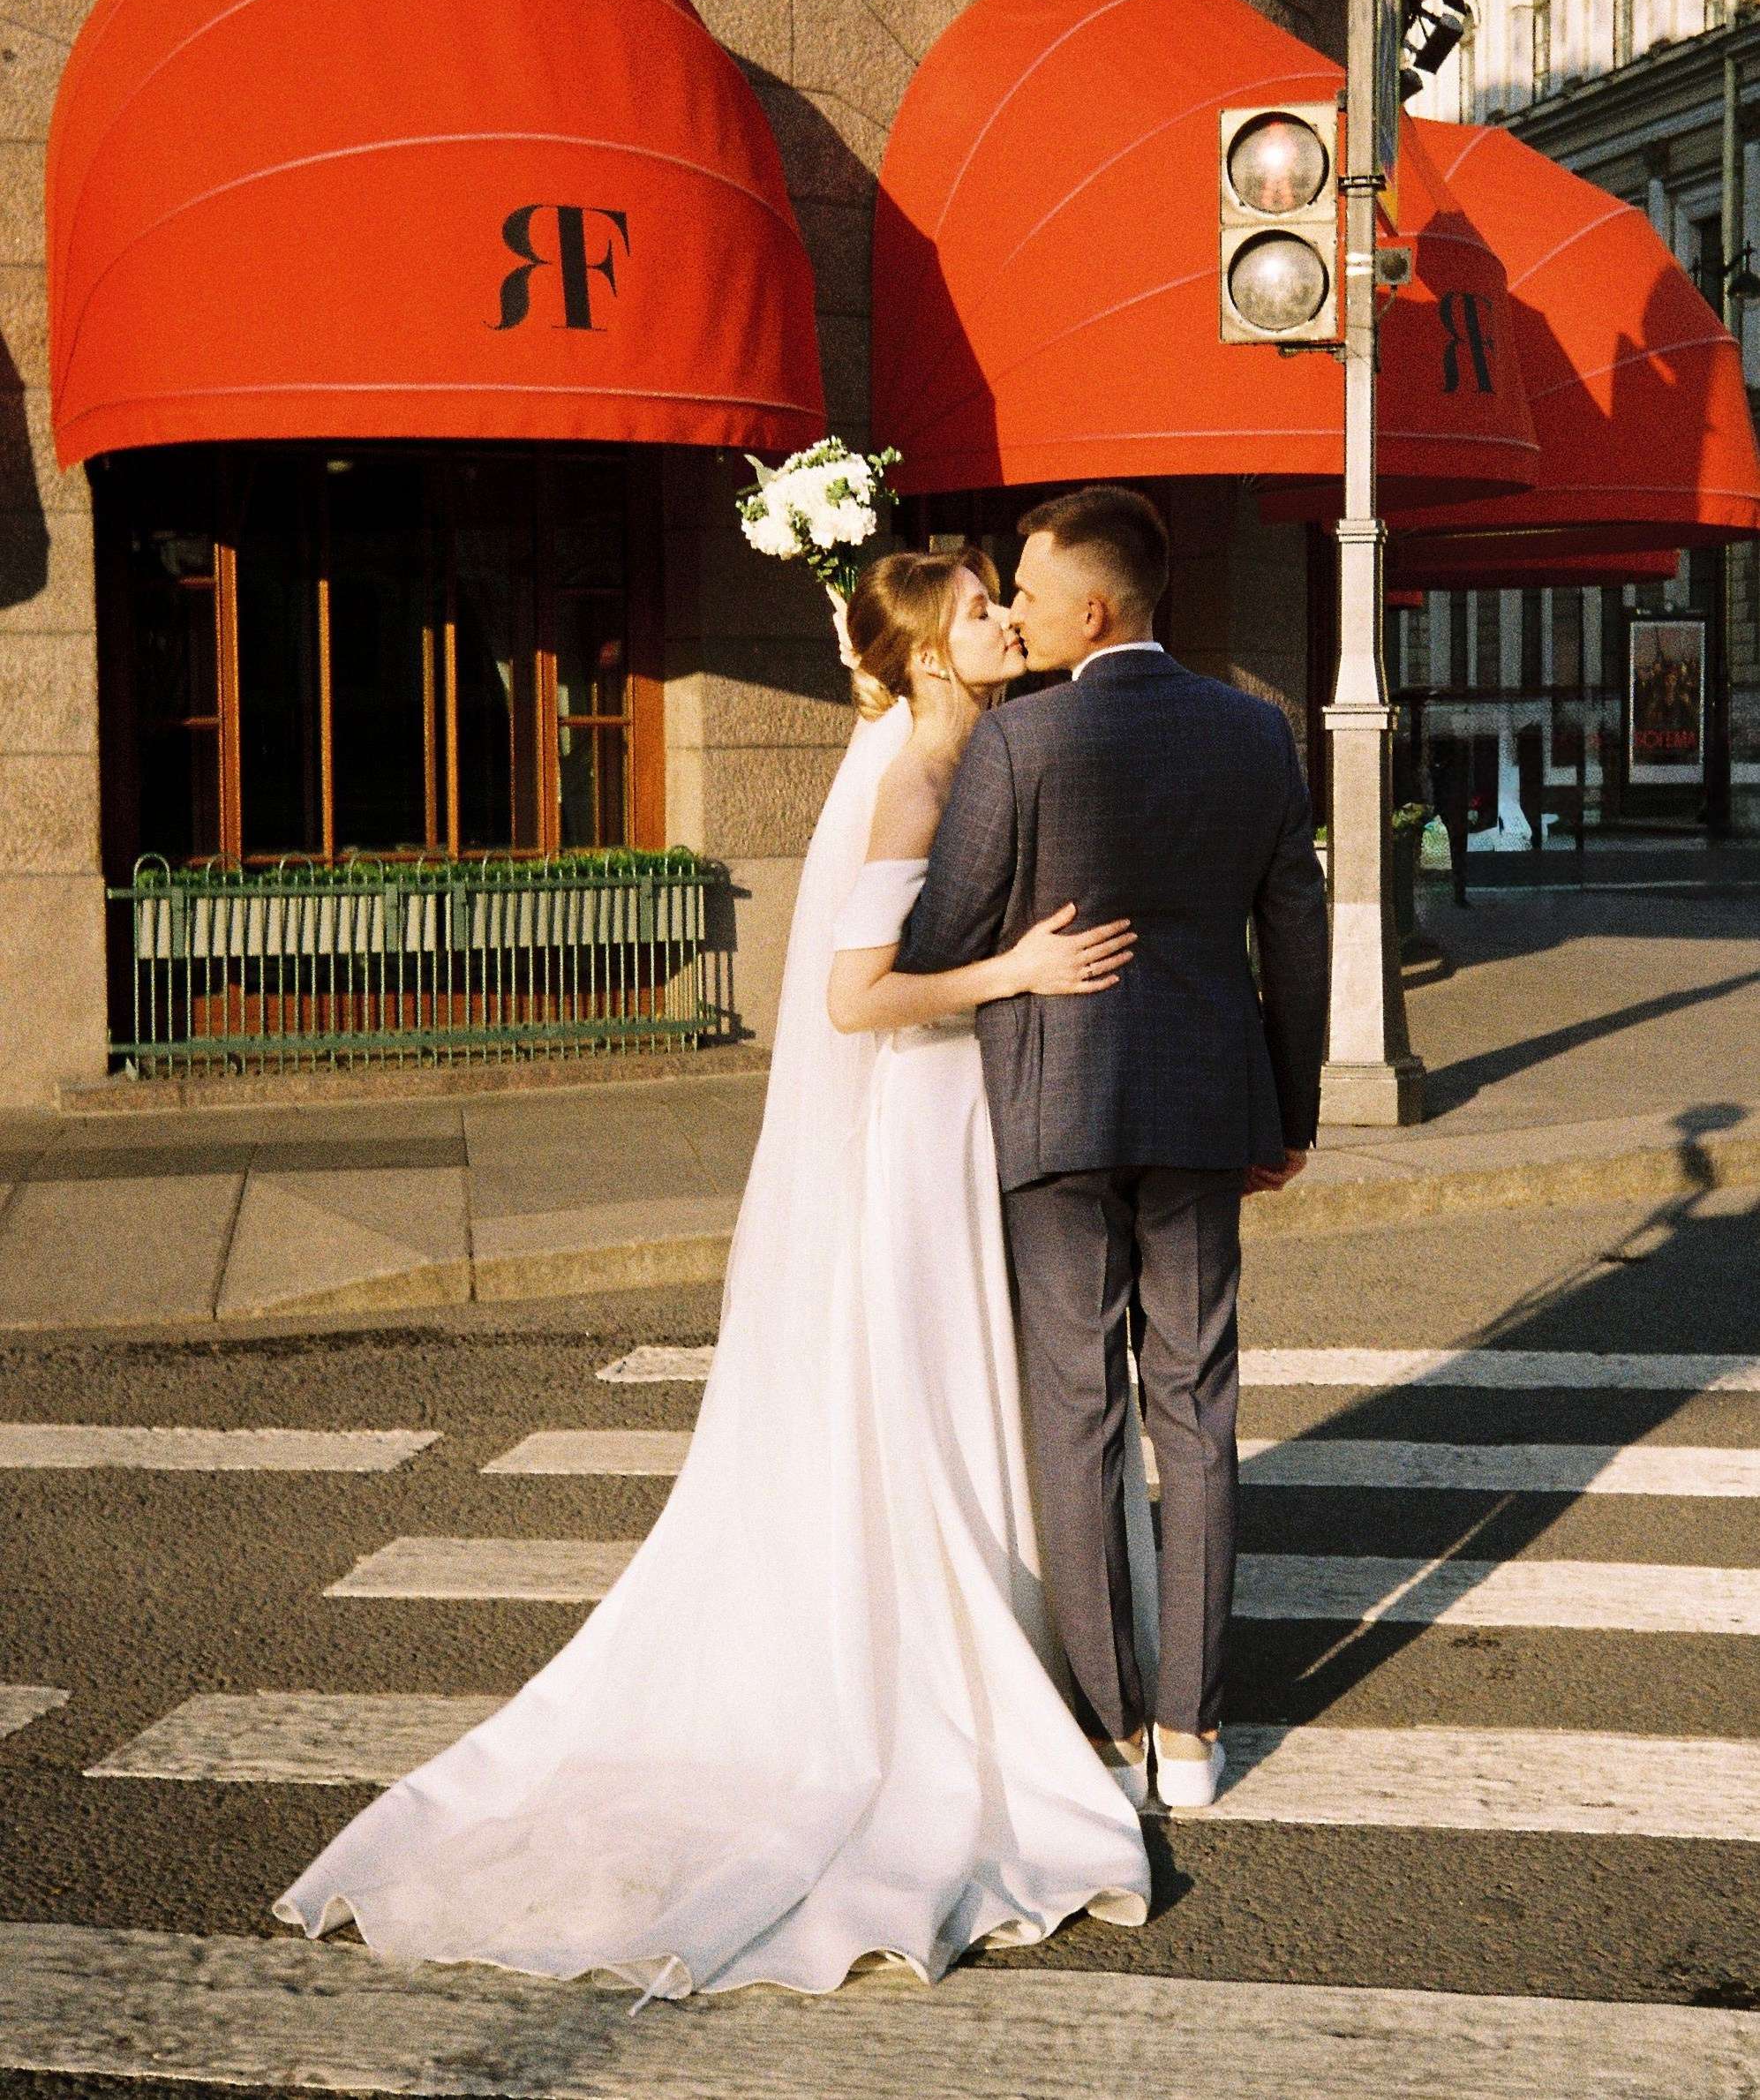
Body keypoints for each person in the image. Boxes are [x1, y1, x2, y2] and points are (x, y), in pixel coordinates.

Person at [275, 546, 1153, 1998]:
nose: (1007, 618)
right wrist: (1016, 974)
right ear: (932, 649)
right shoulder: (912, 777)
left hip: (949, 1115)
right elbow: (849, 995)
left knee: (953, 1388)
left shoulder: (956, 744)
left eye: (1006, 596)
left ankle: (1002, 1626)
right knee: (923, 1389)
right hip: (915, 1118)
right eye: (982, 605)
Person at [899, 485, 1329, 1813]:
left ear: (1091, 608)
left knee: (1075, 1408)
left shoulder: (1022, 741)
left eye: (1025, 587)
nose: (1014, 607)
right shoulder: (1256, 732)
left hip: (1055, 1111)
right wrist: (1289, 1110)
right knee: (1195, 1409)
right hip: (1206, 1109)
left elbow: (935, 942)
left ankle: (1102, 1731)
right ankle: (1194, 1734)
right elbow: (1296, 935)